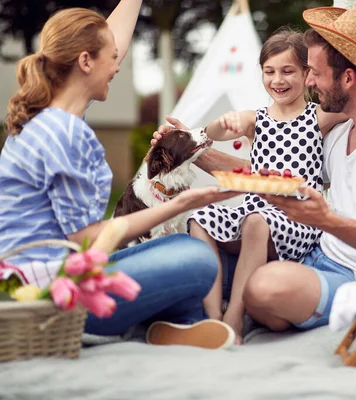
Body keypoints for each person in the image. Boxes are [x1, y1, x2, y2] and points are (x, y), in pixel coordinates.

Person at [156, 25, 356, 342]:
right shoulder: (341, 130)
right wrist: (192, 150)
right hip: (312, 253)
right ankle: (202, 325)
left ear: (348, 78)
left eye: (313, 72)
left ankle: (234, 324)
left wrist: (327, 221)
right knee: (178, 266)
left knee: (264, 287)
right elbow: (270, 173)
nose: (309, 82)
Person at [0, 5, 238, 349]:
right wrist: (182, 203)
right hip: (50, 296)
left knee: (184, 247)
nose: (116, 67)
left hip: (59, 271)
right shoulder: (65, 134)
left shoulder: (47, 119)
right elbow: (90, 241)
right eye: (112, 59)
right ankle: (179, 321)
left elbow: (108, 43)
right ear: (84, 62)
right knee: (196, 258)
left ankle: (175, 326)